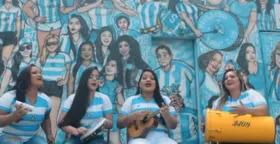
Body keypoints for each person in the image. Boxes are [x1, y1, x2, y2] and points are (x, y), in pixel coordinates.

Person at [201, 69, 268, 144]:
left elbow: (264, 110)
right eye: (226, 78)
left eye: (232, 76)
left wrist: (247, 111)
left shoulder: (251, 94)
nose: (228, 79)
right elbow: (211, 124)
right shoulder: (219, 102)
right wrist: (206, 127)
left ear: (240, 80)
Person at [117, 69, 178, 144]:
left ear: (156, 84)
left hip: (162, 137)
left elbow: (173, 125)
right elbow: (119, 124)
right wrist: (132, 117)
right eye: (144, 78)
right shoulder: (131, 100)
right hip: (138, 138)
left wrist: (166, 115)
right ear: (139, 83)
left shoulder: (165, 100)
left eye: (152, 78)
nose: (148, 80)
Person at [58, 66, 113, 144]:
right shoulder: (72, 98)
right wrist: (75, 131)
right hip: (77, 137)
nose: (94, 79)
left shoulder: (104, 98)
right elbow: (60, 122)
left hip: (97, 138)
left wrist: (105, 122)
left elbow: (110, 124)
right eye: (91, 77)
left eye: (97, 78)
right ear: (84, 80)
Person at [0, 64, 53, 144]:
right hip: (10, 136)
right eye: (34, 73)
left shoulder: (46, 100)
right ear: (25, 78)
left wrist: (49, 134)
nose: (39, 74)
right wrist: (13, 116)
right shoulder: (9, 97)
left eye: (40, 73)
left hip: (32, 138)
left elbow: (46, 118)